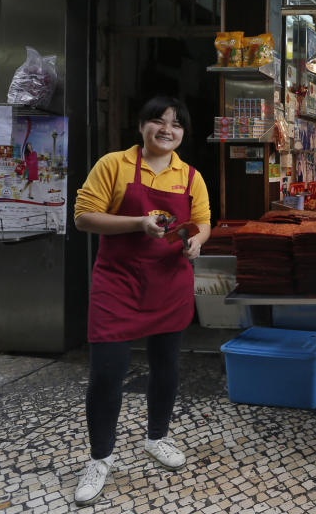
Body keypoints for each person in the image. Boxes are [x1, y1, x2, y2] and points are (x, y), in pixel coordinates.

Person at [71, 95, 211, 506]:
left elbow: (202, 222)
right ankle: (99, 458)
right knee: (106, 375)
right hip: (118, 286)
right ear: (142, 126)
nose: (167, 130)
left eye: (176, 124)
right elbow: (83, 217)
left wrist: (198, 242)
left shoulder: (190, 176)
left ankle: (158, 437)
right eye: (158, 121)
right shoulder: (113, 165)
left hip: (169, 286)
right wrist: (138, 223)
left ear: (183, 133)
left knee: (166, 367)